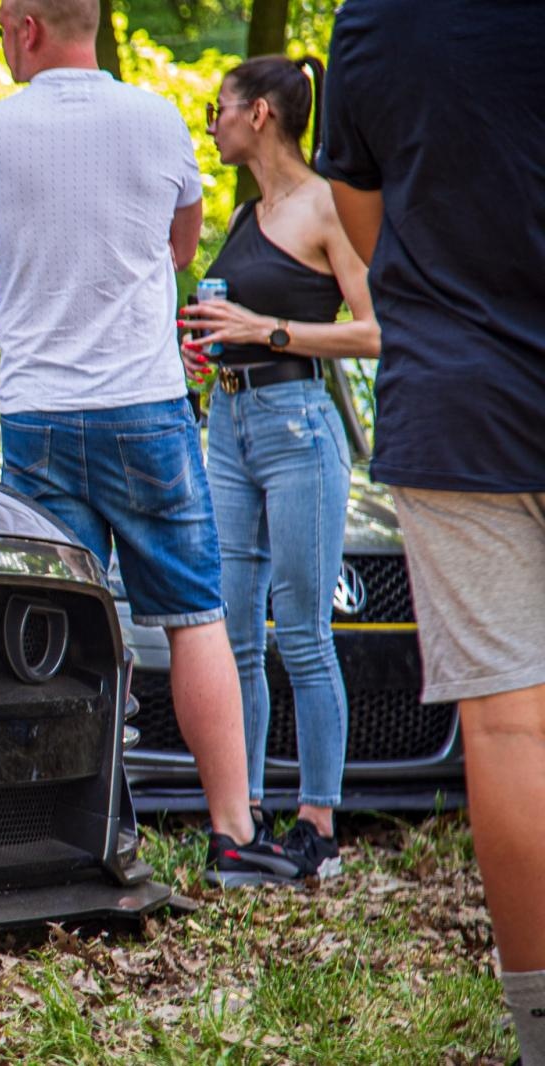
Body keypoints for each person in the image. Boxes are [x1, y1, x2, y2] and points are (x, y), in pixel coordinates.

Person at [0, 0, 311, 885]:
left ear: (28, 27)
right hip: (142, 406)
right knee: (195, 615)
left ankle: (56, 831)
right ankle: (234, 835)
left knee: (54, 627)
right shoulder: (157, 118)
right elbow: (181, 247)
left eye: (4, 27)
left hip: (37, 412)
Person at [317, 1, 545, 1059]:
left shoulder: (376, 17)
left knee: (509, 727)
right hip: (461, 393)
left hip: (459, 395)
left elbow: (363, 214)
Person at [178, 55, 379, 879]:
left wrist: (268, 331)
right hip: (227, 421)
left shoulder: (327, 204)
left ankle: (318, 828)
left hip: (298, 425)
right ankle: (247, 820)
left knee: (301, 632)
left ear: (260, 113)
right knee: (231, 636)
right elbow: (235, 320)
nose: (212, 122)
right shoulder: (241, 211)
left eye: (220, 108)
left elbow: (374, 331)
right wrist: (206, 349)